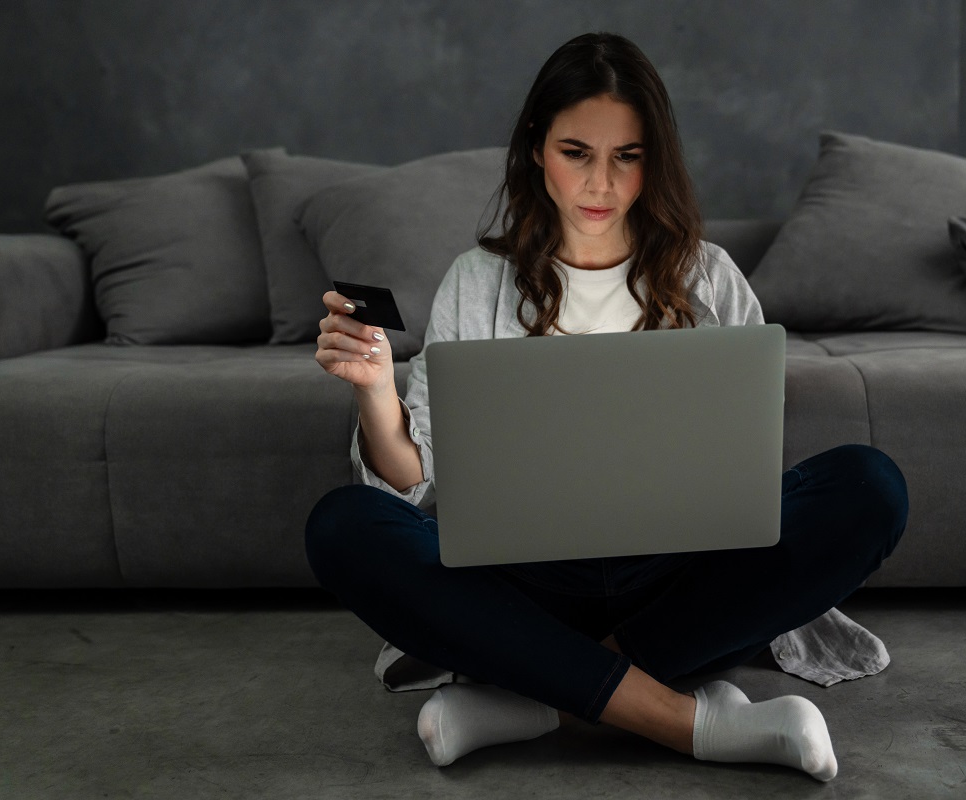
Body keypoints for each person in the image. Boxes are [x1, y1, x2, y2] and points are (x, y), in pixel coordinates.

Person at [305, 32, 907, 780]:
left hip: (679, 587)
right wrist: (375, 391)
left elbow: (743, 471)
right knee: (343, 527)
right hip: (525, 586)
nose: (602, 184)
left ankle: (539, 701)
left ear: (655, 159)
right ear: (535, 149)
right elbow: (417, 483)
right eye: (576, 152)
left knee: (870, 487)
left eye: (628, 155)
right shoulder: (476, 280)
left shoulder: (708, 277)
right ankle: (687, 720)